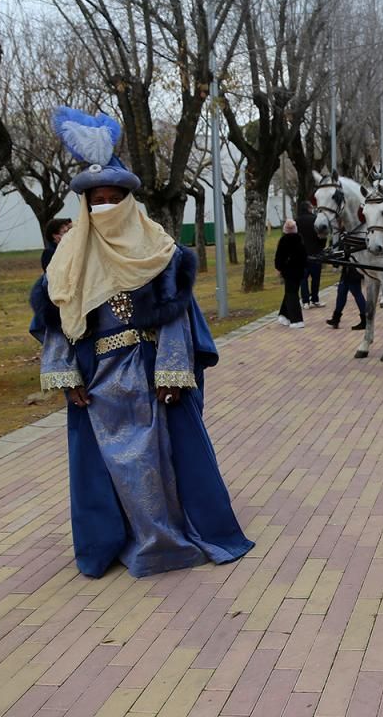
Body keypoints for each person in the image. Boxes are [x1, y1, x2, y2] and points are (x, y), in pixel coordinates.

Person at [30, 107, 253, 578]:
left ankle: (172, 540)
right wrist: (66, 376)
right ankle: (120, 538)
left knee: (164, 461)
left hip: (154, 373)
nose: (106, 207)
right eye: (97, 201)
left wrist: (173, 372)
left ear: (129, 201)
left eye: (114, 198)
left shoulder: (159, 252)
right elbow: (55, 322)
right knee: (112, 468)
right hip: (97, 380)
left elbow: (176, 316)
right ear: (85, 205)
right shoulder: (66, 261)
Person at [275, 219, 307, 328]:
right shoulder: (300, 240)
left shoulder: (283, 241)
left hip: (288, 272)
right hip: (299, 272)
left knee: (291, 294)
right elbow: (304, 256)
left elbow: (278, 258)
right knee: (291, 292)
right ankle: (283, 315)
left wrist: (279, 268)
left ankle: (296, 320)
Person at [295, 201, 325, 308]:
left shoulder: (296, 221)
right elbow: (322, 235)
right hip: (316, 253)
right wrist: (322, 246)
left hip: (301, 254)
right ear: (308, 208)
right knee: (315, 278)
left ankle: (305, 301)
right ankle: (315, 299)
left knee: (303, 279)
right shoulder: (315, 219)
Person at [326, 263, 367, 330]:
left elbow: (346, 254)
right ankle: (336, 318)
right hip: (347, 271)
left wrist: (336, 265)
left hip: (353, 271)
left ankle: (365, 320)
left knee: (357, 294)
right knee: (341, 294)